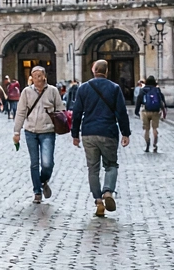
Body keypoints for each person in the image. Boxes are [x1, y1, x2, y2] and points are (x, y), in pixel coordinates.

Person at [71, 60, 131, 218]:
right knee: (111, 165)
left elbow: (76, 112)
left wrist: (75, 134)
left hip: (88, 133)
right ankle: (108, 191)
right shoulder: (115, 88)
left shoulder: (83, 88)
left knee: (93, 168)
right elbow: (121, 112)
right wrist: (126, 133)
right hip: (108, 131)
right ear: (106, 71)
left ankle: (98, 201)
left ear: (93, 70)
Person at [12, 65, 63, 203]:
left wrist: (56, 118)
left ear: (45, 76)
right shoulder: (26, 92)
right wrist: (17, 131)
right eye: (34, 76)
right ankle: (37, 192)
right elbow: (21, 112)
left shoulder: (53, 91)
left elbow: (61, 109)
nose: (37, 79)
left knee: (47, 163)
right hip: (30, 131)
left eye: (39, 75)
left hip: (47, 131)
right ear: (31, 78)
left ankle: (43, 180)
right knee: (34, 163)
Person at [134, 76, 166, 153]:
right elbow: (162, 100)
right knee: (155, 129)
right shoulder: (157, 90)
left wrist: (136, 111)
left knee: (146, 129)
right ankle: (155, 145)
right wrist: (163, 110)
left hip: (145, 110)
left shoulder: (143, 90)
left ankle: (147, 144)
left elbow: (138, 100)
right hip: (155, 111)